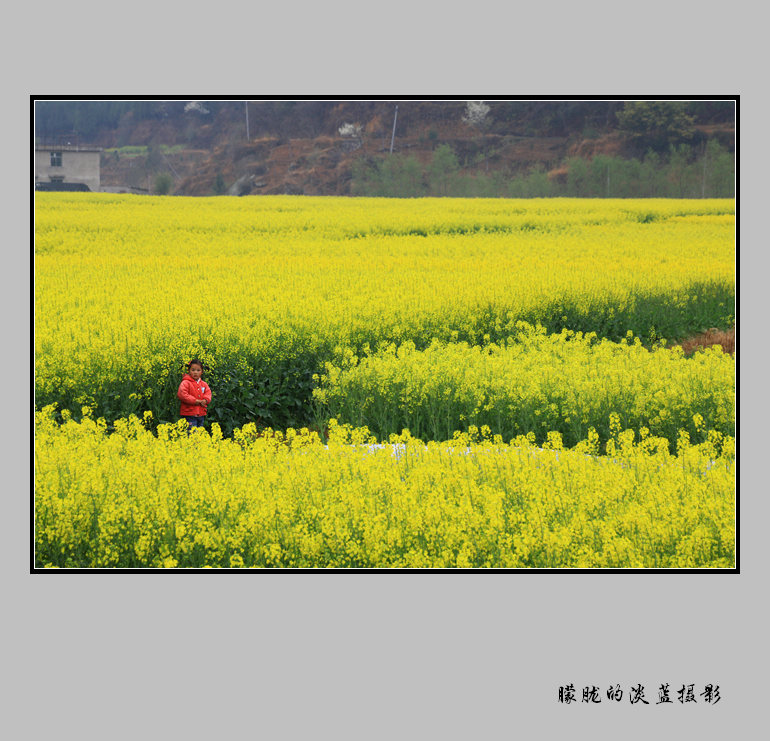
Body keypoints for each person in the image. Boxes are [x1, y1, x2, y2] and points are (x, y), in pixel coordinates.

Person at [177, 359, 212, 431]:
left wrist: (205, 400)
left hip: (201, 413)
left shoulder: (204, 384)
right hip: (189, 414)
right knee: (192, 434)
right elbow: (182, 395)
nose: (195, 372)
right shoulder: (186, 382)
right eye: (193, 370)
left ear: (202, 372)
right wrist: (195, 401)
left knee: (199, 433)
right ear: (189, 371)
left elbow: (208, 393)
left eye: (198, 370)